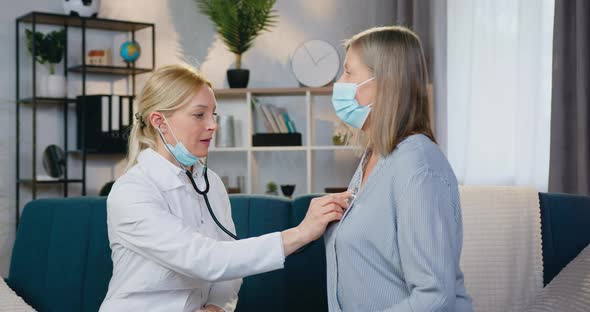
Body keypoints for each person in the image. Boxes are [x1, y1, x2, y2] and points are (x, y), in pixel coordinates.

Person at [99, 64, 349, 312]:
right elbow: (205, 259)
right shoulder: (132, 191)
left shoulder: (211, 182)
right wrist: (301, 233)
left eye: (213, 114)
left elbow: (229, 263)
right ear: (159, 121)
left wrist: (218, 307)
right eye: (199, 115)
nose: (213, 125)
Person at [325, 26, 473, 311]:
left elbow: (434, 296)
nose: (339, 82)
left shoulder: (417, 165)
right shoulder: (375, 155)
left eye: (348, 72)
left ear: (383, 82)